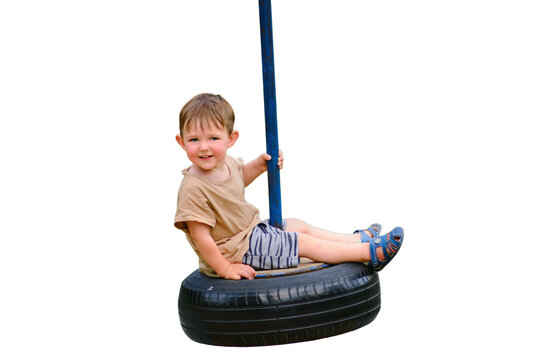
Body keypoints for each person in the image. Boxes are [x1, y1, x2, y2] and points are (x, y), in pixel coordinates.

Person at [174, 93, 403, 280]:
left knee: (297, 225)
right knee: (301, 243)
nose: (204, 147)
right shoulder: (193, 188)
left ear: (231, 139)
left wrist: (261, 165)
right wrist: (225, 269)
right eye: (194, 140)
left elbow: (237, 181)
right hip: (235, 251)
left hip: (250, 233)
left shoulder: (227, 164)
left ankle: (355, 239)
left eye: (213, 138)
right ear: (181, 141)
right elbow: (202, 237)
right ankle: (369, 253)